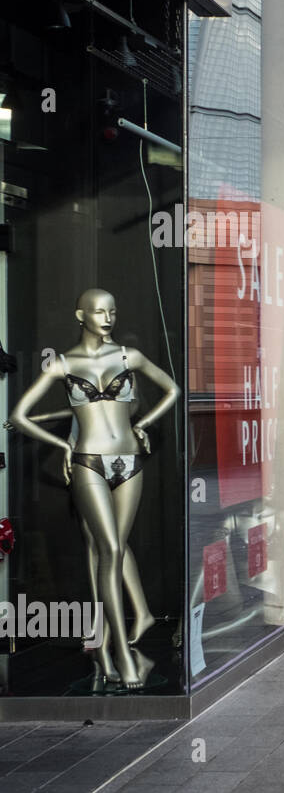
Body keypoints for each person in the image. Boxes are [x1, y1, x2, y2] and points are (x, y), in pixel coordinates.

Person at [8, 289, 178, 689]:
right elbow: (20, 415)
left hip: (130, 461)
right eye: (99, 311)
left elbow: (172, 390)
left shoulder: (127, 357)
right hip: (89, 460)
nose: (108, 318)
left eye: (113, 311)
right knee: (111, 551)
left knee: (111, 551)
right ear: (80, 315)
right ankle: (122, 655)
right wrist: (64, 444)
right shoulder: (64, 364)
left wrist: (141, 424)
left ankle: (104, 649)